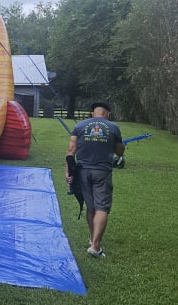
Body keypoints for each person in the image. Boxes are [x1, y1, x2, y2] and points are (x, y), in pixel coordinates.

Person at [65, 101, 124, 258]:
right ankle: (95, 246)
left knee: (91, 208)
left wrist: (68, 172)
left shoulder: (79, 126)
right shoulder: (113, 127)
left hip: (83, 171)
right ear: (108, 114)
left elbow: (70, 151)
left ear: (92, 114)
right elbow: (119, 151)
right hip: (102, 172)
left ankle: (93, 238)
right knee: (101, 208)